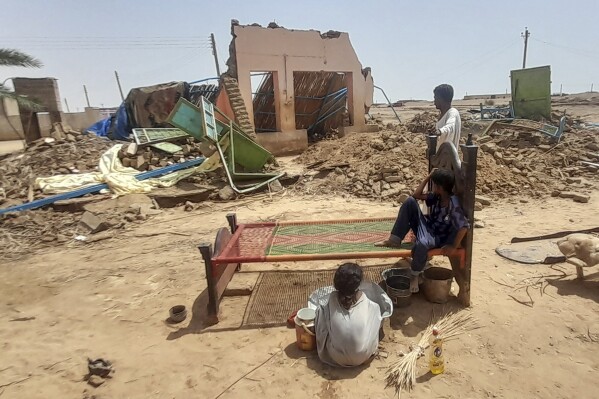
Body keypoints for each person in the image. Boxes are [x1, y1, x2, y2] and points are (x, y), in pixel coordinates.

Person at [375, 169, 470, 292]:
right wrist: (428, 177)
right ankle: (394, 240)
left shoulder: (453, 203)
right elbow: (416, 195)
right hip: (428, 227)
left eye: (434, 184)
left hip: (438, 237)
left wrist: (453, 246)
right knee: (409, 201)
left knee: (422, 244)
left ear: (440, 187)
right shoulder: (437, 196)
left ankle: (414, 274)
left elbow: (464, 227)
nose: (433, 186)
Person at [314, 263, 383, 367]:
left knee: (320, 310)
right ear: (358, 285)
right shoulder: (366, 302)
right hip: (363, 356)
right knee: (375, 310)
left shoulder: (332, 299)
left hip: (336, 356)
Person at [433, 84, 461, 150]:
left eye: (435, 98)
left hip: (449, 158)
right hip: (440, 157)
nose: (434, 102)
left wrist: (440, 131)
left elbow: (450, 126)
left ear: (441, 98)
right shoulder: (442, 114)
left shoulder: (452, 112)